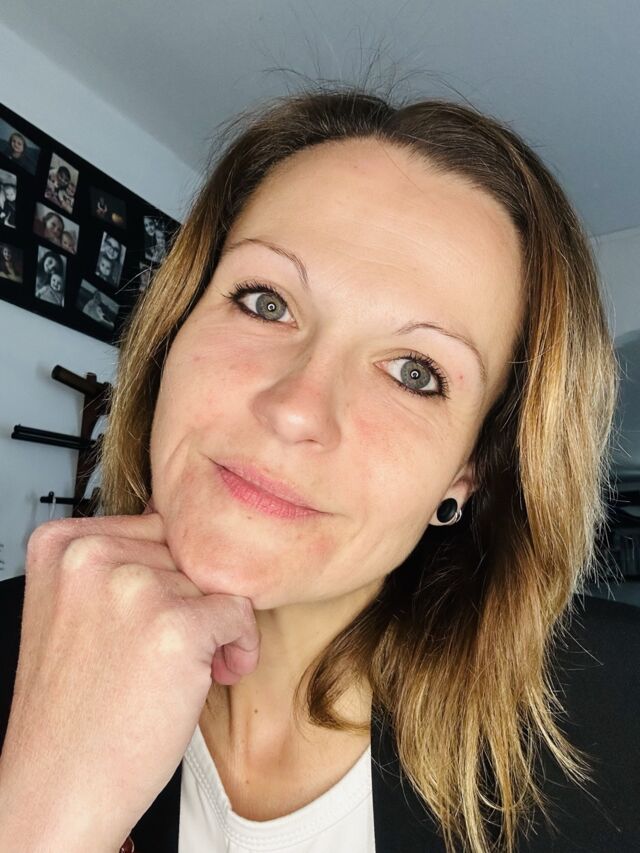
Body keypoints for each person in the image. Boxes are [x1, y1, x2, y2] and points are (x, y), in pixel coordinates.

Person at [0, 86, 638, 853]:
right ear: (175, 328)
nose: (297, 408)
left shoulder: (617, 729)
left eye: (415, 372)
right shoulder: (16, 642)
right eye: (265, 301)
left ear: (466, 474)